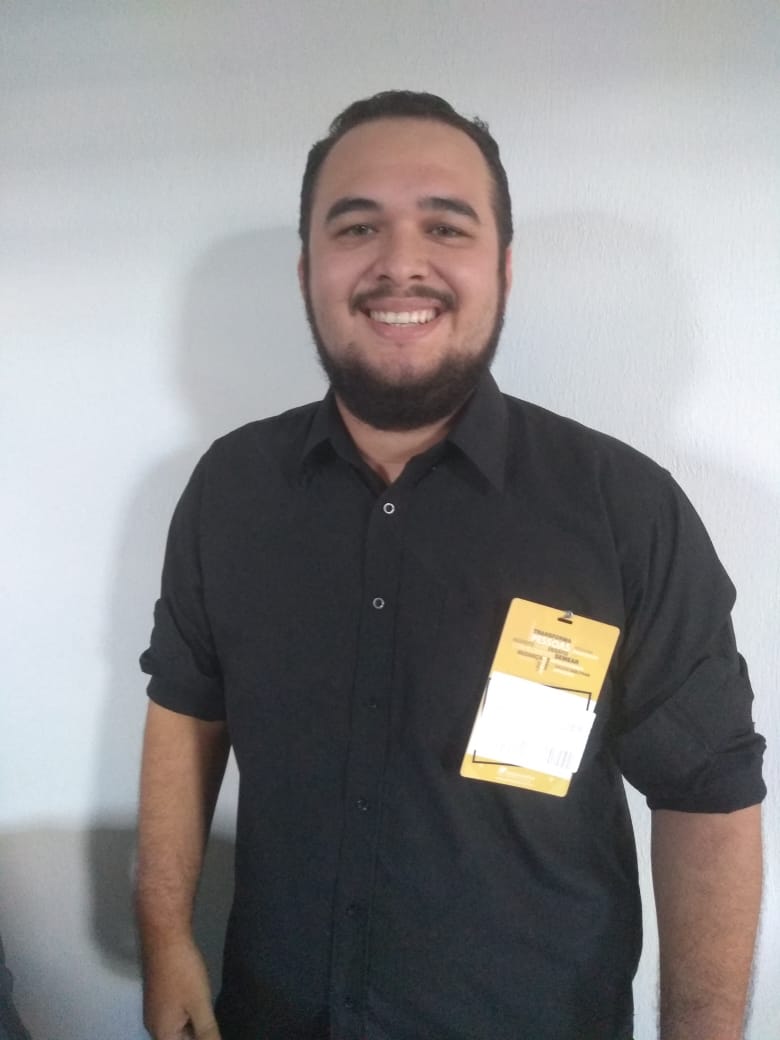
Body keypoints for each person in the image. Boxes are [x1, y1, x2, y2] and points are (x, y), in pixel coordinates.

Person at [136, 90, 766, 1040]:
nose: (400, 262)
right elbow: (186, 707)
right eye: (357, 226)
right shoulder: (230, 489)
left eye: (445, 226)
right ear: (308, 269)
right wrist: (164, 933)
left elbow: (707, 797)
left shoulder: (623, 510)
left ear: (503, 267)